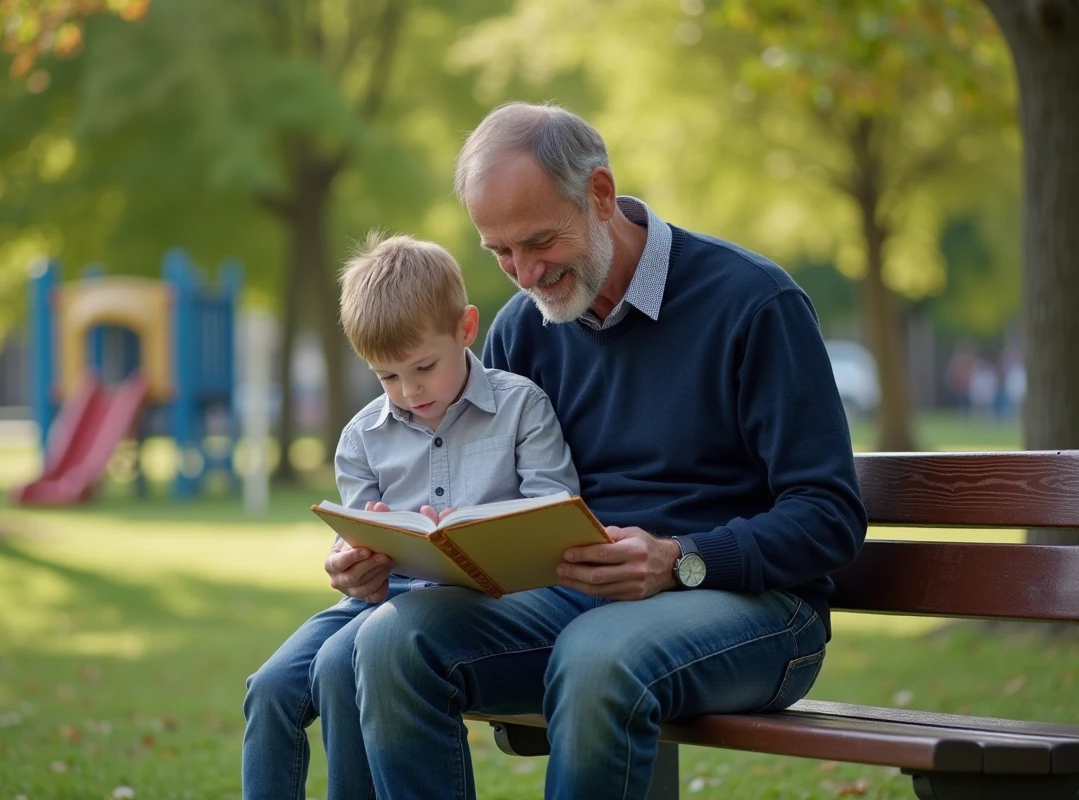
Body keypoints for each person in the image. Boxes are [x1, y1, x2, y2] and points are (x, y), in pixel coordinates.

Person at [323, 102, 869, 800]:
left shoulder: (753, 304)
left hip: (757, 611)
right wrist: (390, 552)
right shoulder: (525, 329)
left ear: (601, 195)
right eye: (499, 252)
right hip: (574, 603)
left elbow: (829, 516)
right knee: (391, 642)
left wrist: (679, 560)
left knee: (599, 656)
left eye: (539, 241)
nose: (522, 272)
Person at [241, 231, 581, 799]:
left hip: (483, 606)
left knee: (336, 666)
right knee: (270, 687)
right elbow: (360, 551)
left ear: (466, 329)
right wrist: (355, 562)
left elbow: (554, 520)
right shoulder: (362, 436)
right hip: (383, 597)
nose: (409, 390)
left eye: (423, 367)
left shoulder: (522, 406)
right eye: (387, 376)